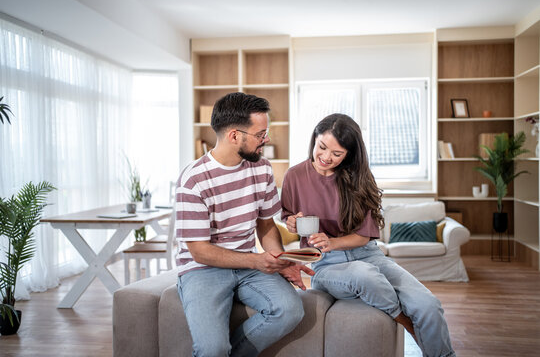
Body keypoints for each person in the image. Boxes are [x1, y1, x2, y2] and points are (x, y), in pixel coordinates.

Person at [281, 113, 455, 357]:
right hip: (327, 264)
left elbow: (363, 236)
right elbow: (288, 217)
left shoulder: (359, 179)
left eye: (337, 154)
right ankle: (406, 322)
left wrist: (332, 241)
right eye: (322, 147)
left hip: (369, 256)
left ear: (349, 154)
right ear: (315, 139)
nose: (326, 157)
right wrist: (291, 222)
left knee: (428, 305)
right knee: (365, 276)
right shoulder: (294, 176)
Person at [175, 92, 313, 357]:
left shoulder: (261, 168)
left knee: (290, 310)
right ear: (235, 136)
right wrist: (256, 260)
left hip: (249, 266)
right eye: (261, 134)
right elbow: (199, 251)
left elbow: (266, 225)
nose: (267, 140)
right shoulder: (193, 181)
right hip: (202, 269)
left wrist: (278, 257)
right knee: (212, 348)